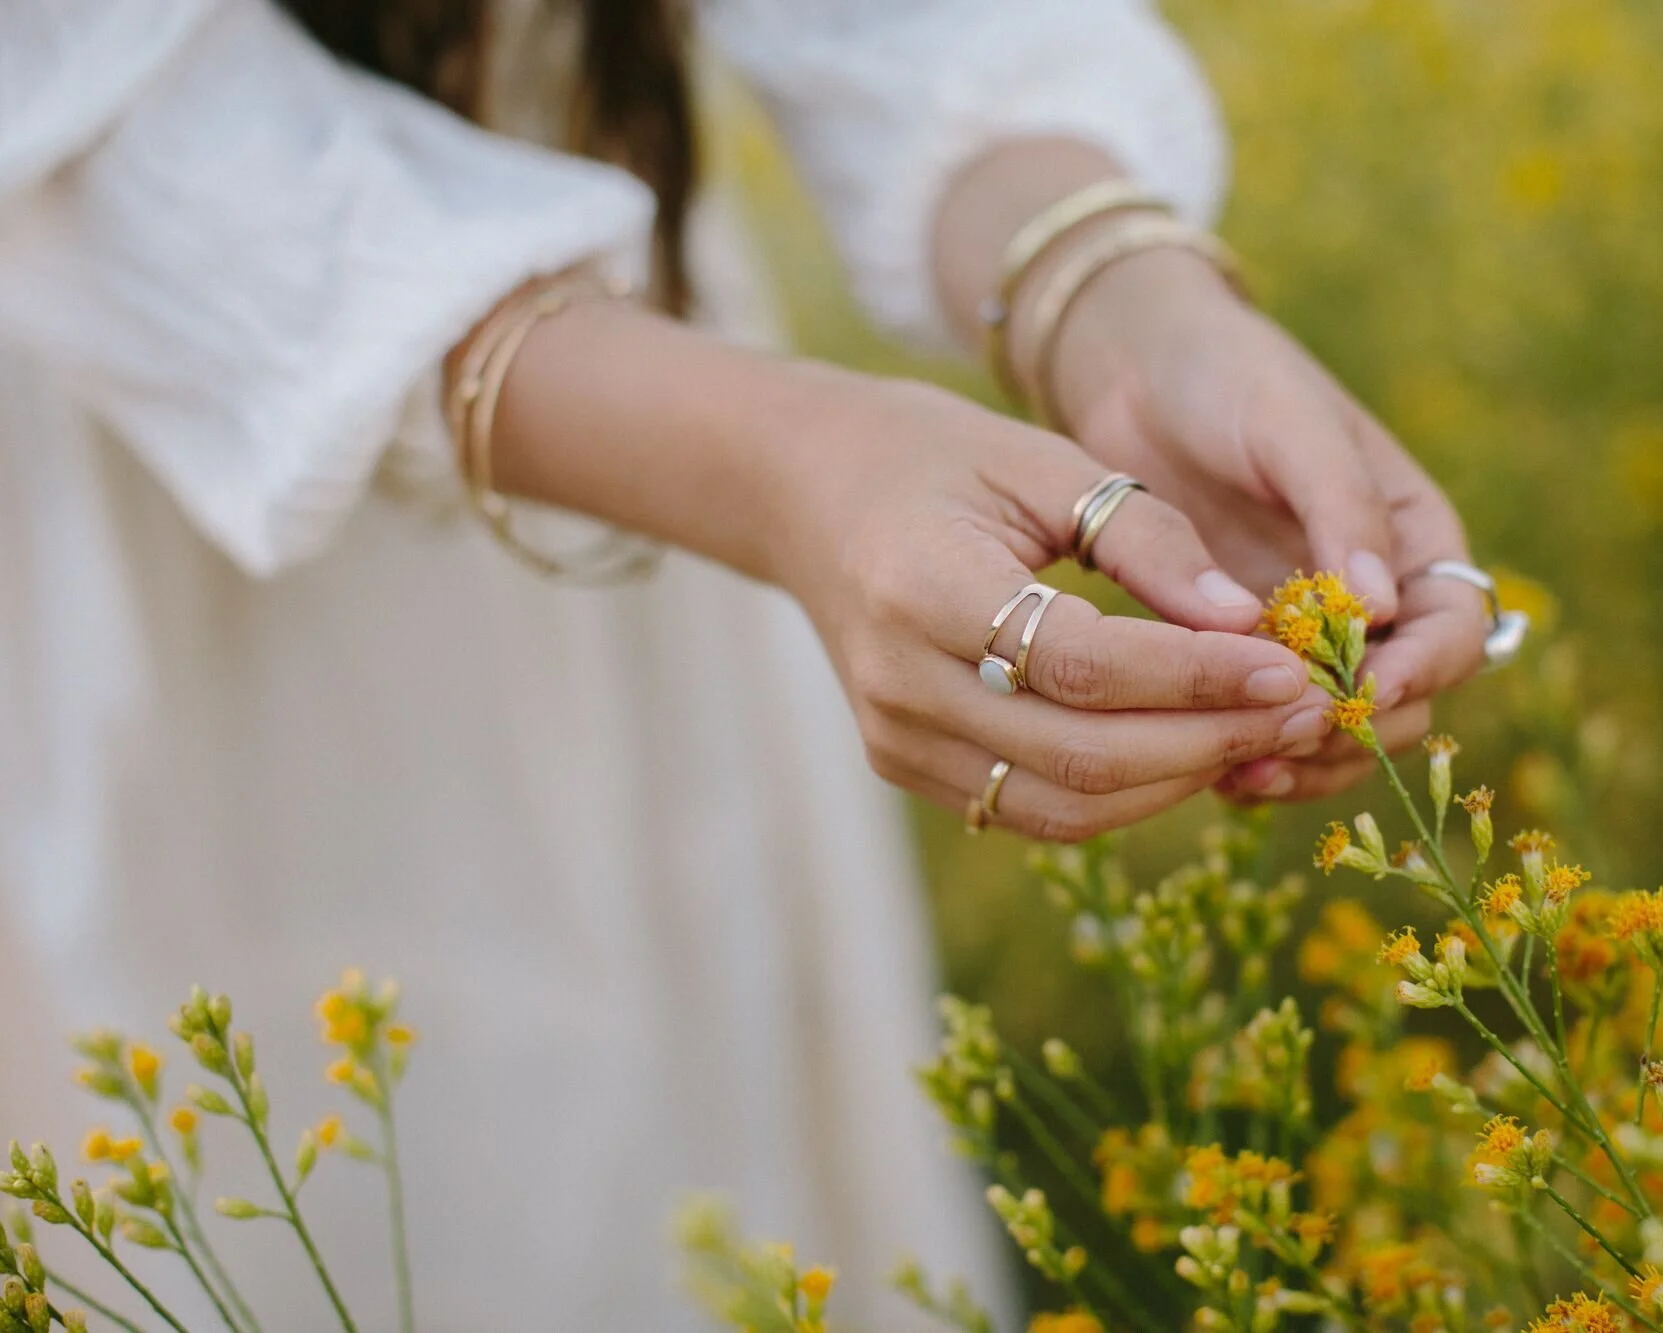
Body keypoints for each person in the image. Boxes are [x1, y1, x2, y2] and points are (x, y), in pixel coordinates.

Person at [0, 0, 1496, 1327]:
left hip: (662, 438)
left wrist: (1119, 299)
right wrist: (783, 466)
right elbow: (86, 118)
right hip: (147, 433)